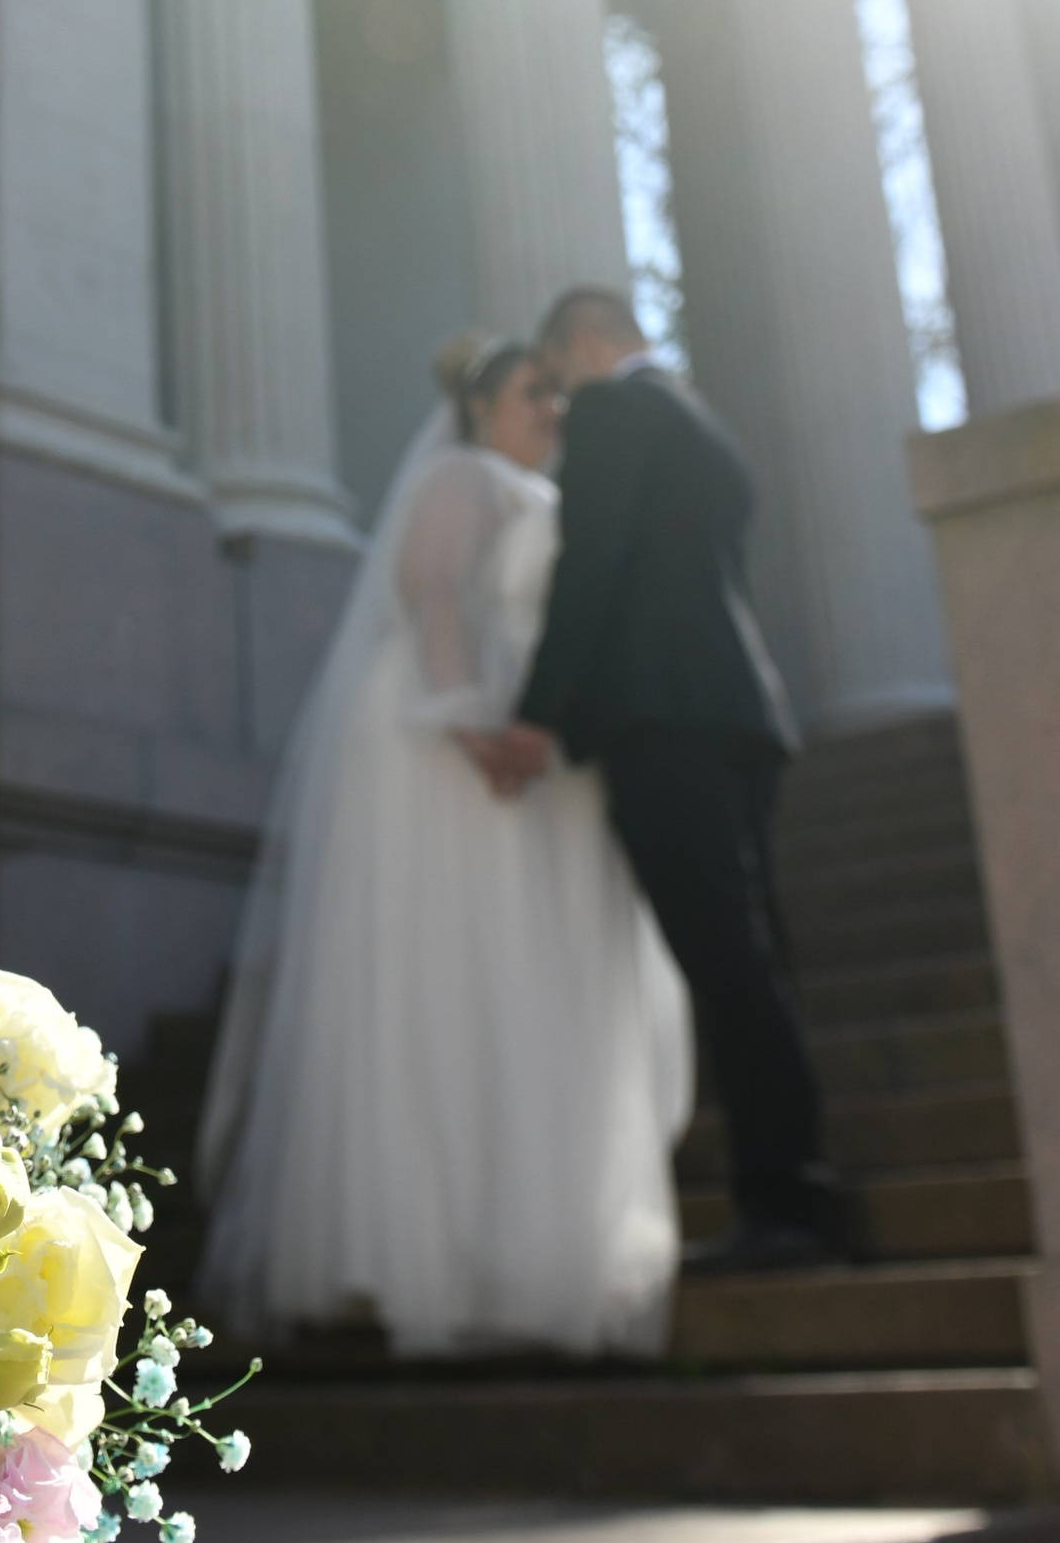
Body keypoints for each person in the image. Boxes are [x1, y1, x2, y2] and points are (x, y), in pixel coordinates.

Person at [196, 332, 694, 1358]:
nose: (550, 410)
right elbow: (434, 589)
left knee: (518, 985)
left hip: (515, 733)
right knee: (451, 973)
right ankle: (419, 1253)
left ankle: (511, 1250)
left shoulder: (542, 492)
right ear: (476, 410)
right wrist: (472, 721)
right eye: (530, 394)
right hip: (450, 735)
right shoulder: (465, 476)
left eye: (556, 394)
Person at [504, 285, 853, 1274]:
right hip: (738, 713)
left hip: (663, 720)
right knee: (753, 955)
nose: (561, 400)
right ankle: (797, 1186)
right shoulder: (701, 425)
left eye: (558, 375)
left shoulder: (617, 409)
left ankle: (784, 1202)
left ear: (582, 344)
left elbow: (593, 559)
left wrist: (538, 709)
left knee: (724, 961)